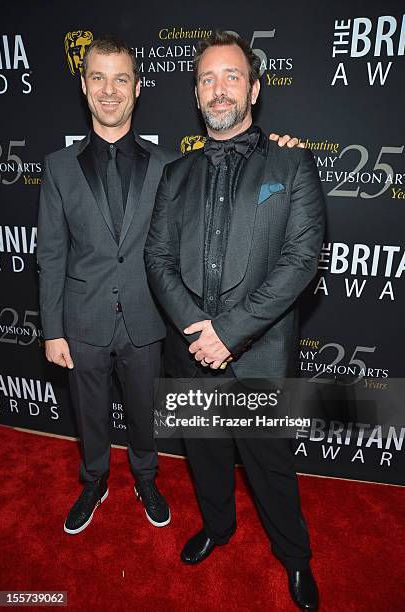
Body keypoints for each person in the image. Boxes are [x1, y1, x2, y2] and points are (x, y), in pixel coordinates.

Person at [37, 35, 300, 537]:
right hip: (82, 318)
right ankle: (93, 481)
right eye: (98, 78)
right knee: (88, 414)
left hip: (149, 320)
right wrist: (52, 328)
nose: (109, 90)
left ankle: (145, 477)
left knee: (144, 413)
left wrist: (278, 146)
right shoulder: (57, 168)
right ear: (84, 87)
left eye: (121, 79)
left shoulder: (170, 166)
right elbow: (50, 253)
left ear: (138, 89)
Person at [144, 32, 324, 610]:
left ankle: (295, 558)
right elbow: (158, 258)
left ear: (254, 87)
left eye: (230, 77)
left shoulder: (291, 162)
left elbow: (303, 259)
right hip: (191, 351)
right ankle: (218, 527)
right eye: (206, 80)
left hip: (260, 354)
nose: (218, 90)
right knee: (206, 454)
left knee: (271, 464)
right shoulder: (175, 175)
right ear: (196, 94)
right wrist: (200, 330)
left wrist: (231, 332)